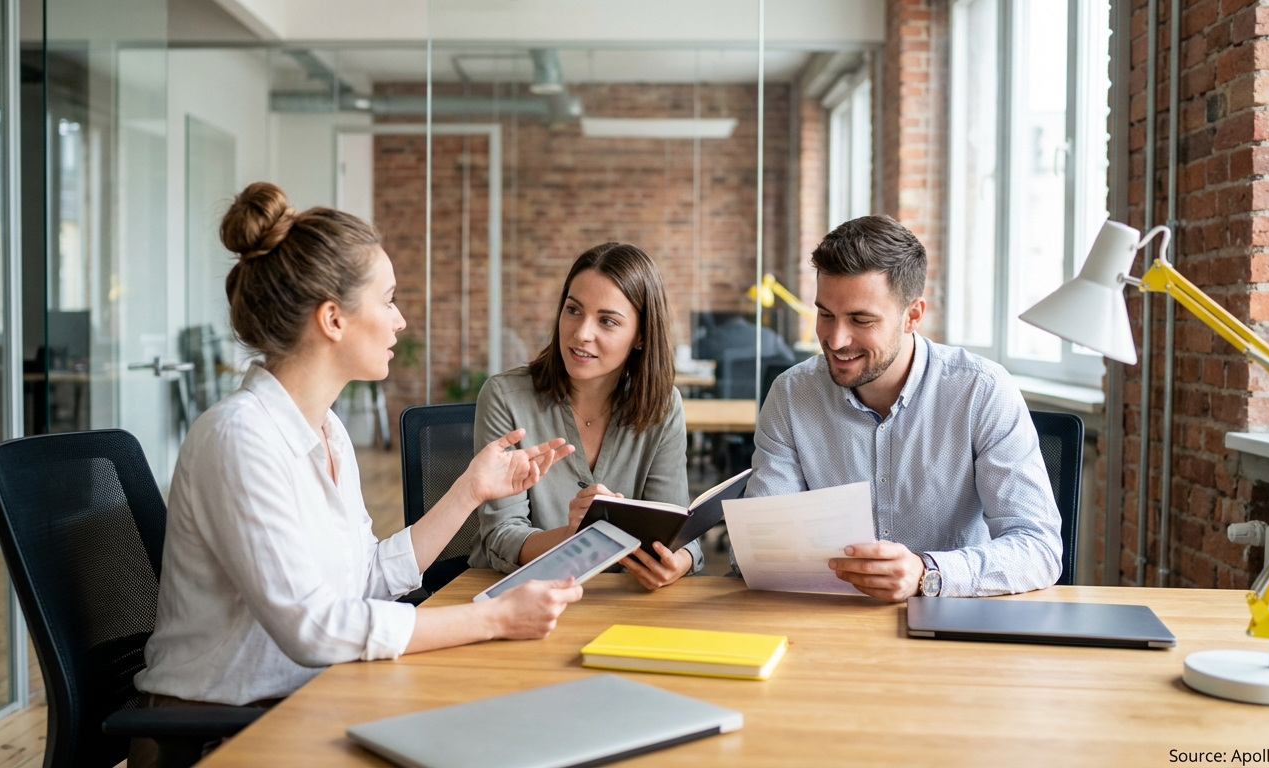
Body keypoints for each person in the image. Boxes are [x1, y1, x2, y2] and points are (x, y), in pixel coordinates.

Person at [132, 183, 580, 762]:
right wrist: (492, 619)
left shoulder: (326, 429)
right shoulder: (238, 439)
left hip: (308, 701)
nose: (399, 320)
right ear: (334, 319)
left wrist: (472, 488)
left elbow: (364, 578)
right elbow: (313, 629)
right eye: (388, 299)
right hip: (219, 734)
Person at [744, 215, 1062, 601]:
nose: (836, 339)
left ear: (912, 316)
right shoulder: (792, 394)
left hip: (952, 616)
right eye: (826, 314)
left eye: (861, 320)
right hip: (829, 619)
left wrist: (928, 573)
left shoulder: (981, 390)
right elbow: (760, 546)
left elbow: (1039, 548)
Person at [468, 242, 703, 590]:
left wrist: (677, 561)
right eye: (574, 310)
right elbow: (501, 536)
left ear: (640, 336)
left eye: (607, 321)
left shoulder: (663, 407)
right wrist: (575, 536)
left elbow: (674, 527)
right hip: (517, 596)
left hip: (623, 603)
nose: (581, 333)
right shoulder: (506, 398)